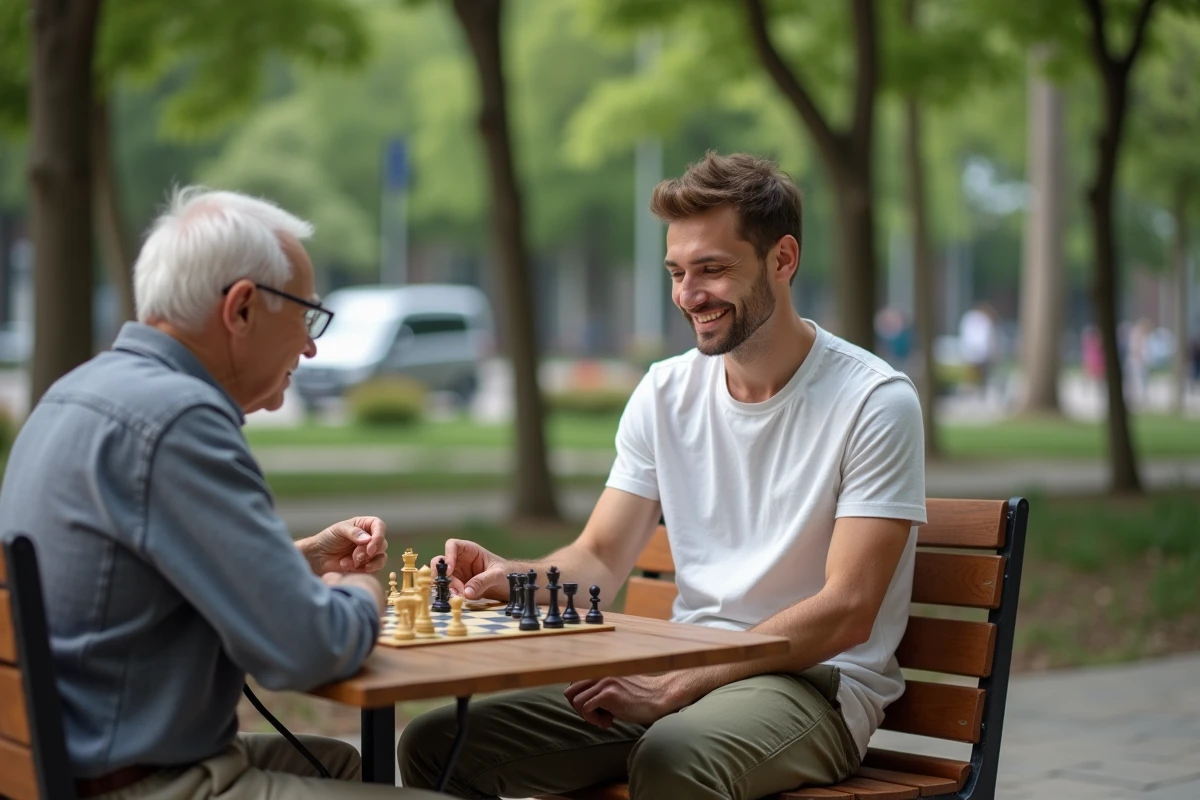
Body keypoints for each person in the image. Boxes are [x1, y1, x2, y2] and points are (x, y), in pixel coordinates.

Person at [398, 152, 926, 800]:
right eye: (677, 272)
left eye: (712, 269)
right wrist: (514, 578)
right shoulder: (665, 392)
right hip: (686, 671)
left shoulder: (874, 401)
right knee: (439, 745)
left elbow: (848, 610)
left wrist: (683, 679)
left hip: (812, 683)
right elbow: (597, 557)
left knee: (673, 759)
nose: (687, 294)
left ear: (782, 259)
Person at [0, 188, 446, 800]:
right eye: (305, 316)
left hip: (64, 762)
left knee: (338, 765)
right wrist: (361, 594)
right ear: (240, 309)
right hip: (139, 782)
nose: (311, 346)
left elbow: (151, 576)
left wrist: (307, 558)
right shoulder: (178, 420)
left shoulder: (77, 393)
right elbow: (303, 651)